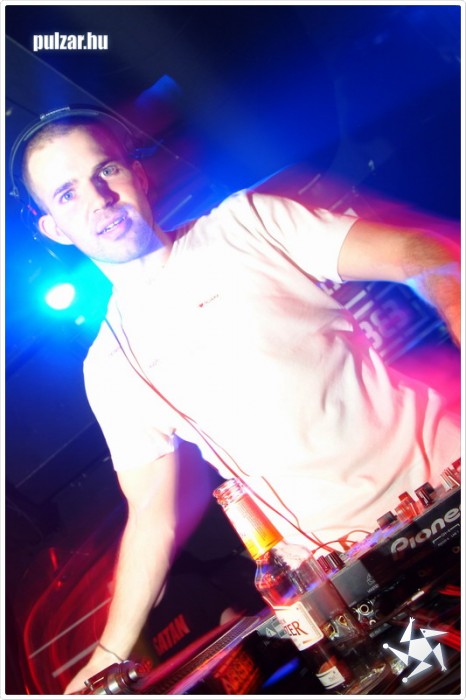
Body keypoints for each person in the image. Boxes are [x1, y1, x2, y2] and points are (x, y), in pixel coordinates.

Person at [17, 110, 460, 693]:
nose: (99, 198)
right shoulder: (110, 366)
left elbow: (421, 252)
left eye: (107, 170)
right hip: (352, 574)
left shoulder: (245, 223)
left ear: (138, 174)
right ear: (54, 228)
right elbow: (152, 514)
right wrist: (107, 653)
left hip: (446, 487)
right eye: (68, 193)